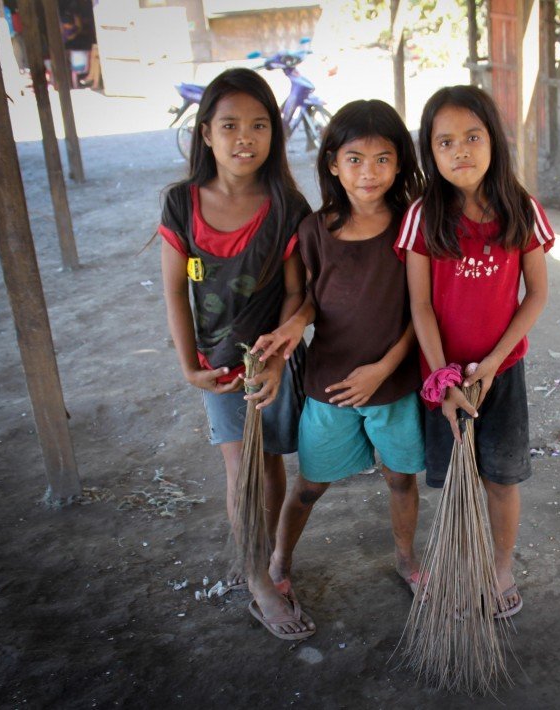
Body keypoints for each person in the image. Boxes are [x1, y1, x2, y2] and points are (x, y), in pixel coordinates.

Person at [158, 68, 314, 641]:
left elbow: (298, 293)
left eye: (258, 125)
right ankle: (256, 578)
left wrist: (276, 357)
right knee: (239, 468)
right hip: (219, 366)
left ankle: (269, 556)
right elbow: (176, 289)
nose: (244, 137)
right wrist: (187, 364)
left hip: (272, 363)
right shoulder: (182, 204)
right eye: (229, 125)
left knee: (270, 459)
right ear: (205, 134)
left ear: (275, 133)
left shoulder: (285, 205)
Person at [252, 100, 426, 602]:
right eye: (354, 159)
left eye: (382, 159)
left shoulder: (411, 227)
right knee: (309, 485)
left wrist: (383, 369)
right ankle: (281, 557)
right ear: (332, 162)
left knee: (400, 479)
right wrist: (293, 328)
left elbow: (422, 311)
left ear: (399, 163)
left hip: (392, 386)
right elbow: (309, 300)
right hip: (328, 386)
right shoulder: (314, 230)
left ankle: (406, 559)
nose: (368, 172)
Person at [395, 85, 554, 619]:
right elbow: (419, 305)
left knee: (501, 479)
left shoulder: (521, 208)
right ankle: (464, 562)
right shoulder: (423, 216)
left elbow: (537, 295)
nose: (460, 150)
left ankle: (501, 567)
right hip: (442, 381)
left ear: (494, 140)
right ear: (429, 152)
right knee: (457, 481)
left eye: (472, 137)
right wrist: (442, 379)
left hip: (501, 373)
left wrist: (491, 364)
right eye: (445, 142)